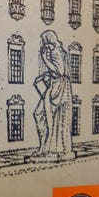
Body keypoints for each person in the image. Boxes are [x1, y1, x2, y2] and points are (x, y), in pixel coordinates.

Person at [32, 30, 74, 160]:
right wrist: (46, 75)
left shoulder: (56, 52)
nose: (44, 46)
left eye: (44, 43)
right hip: (58, 85)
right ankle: (47, 147)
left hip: (58, 87)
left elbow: (59, 71)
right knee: (43, 114)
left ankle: (48, 148)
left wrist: (45, 59)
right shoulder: (60, 51)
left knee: (43, 114)